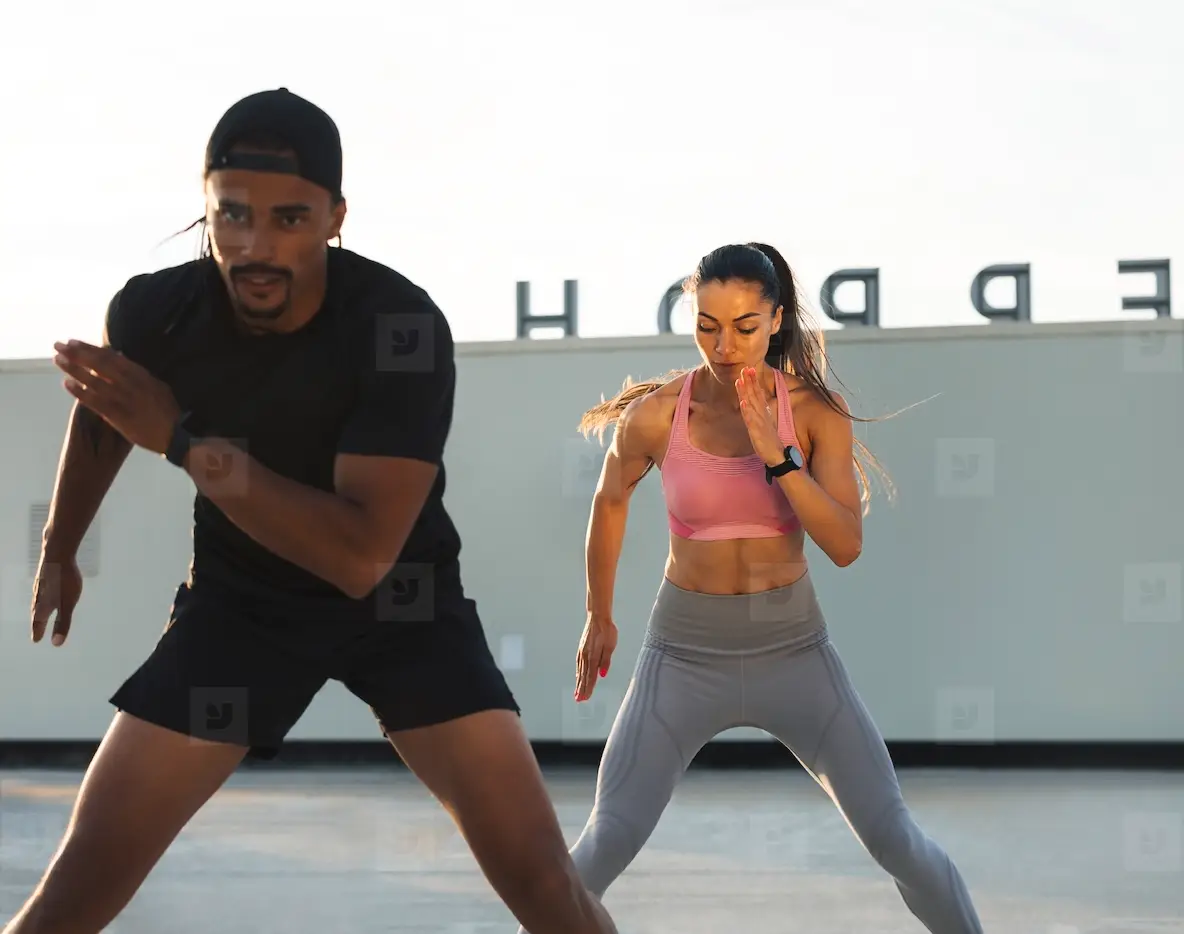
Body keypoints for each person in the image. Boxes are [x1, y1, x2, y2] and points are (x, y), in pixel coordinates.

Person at [8, 88, 617, 934]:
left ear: (335, 217)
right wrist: (60, 541)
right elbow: (109, 413)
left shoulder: (397, 327)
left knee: (550, 895)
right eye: (233, 216)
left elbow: (360, 553)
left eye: (289, 219)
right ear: (208, 210)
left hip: (402, 605)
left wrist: (184, 443)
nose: (256, 246)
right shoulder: (159, 311)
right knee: (68, 899)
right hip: (243, 610)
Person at [518, 243, 985, 933]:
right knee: (602, 842)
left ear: (775, 321)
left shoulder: (814, 414)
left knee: (897, 842)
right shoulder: (657, 414)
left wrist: (777, 458)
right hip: (683, 656)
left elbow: (845, 545)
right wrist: (599, 613)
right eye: (707, 324)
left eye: (744, 326)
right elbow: (610, 497)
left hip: (795, 653)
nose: (723, 343)